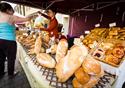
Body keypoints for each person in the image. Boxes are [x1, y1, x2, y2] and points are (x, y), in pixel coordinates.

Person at [0, 2, 32, 79]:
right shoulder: (11, 17)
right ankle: (11, 74)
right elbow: (26, 19)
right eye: (12, 10)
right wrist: (30, 16)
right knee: (11, 58)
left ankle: (1, 73)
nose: (13, 12)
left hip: (0, 40)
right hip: (9, 41)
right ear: (8, 10)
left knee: (1, 58)